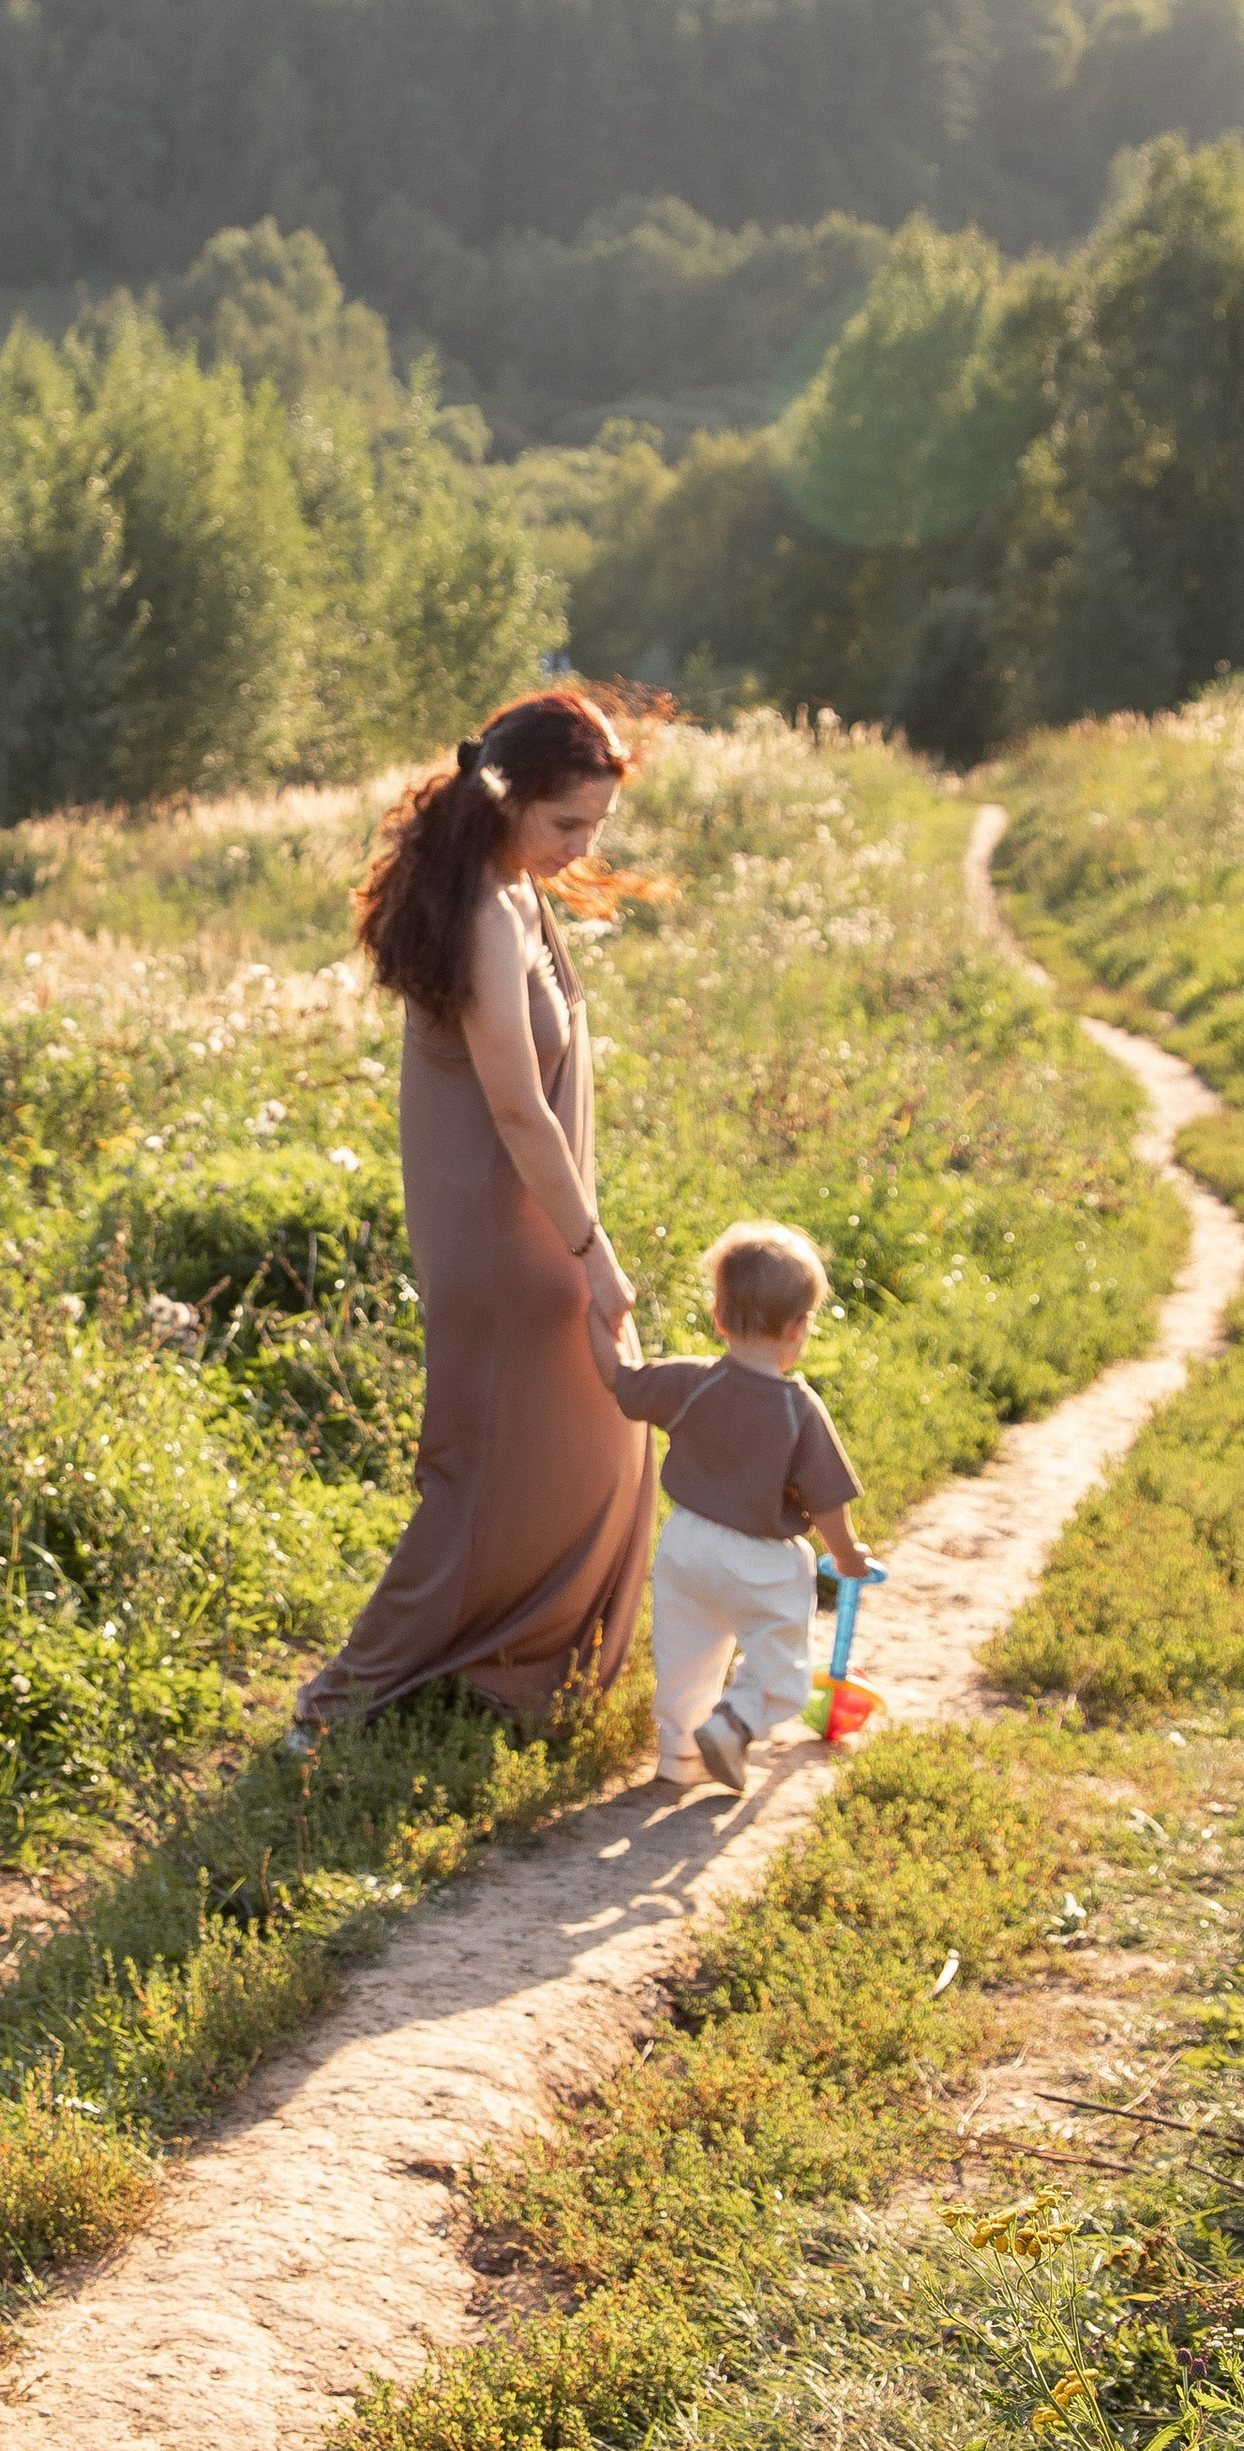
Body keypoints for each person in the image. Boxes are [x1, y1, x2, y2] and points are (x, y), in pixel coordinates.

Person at [293, 688, 654, 1734]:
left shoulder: (511, 884)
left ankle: (504, 1673)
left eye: (596, 827)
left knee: (585, 1449)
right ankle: (340, 1700)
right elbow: (514, 1107)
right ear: (505, 800)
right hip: (506, 1235)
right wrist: (594, 1253)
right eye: (566, 825)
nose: (580, 847)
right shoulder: (484, 912)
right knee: (486, 1470)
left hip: (531, 1219)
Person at [585, 1218, 872, 1791]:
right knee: (784, 1669)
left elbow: (618, 1378)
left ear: (719, 1319)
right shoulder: (799, 1409)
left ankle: (679, 1757)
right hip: (761, 1560)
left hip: (687, 1545)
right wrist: (847, 1557)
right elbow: (826, 1503)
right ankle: (736, 1722)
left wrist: (600, 1315)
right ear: (799, 1327)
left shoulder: (691, 1382)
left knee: (685, 1656)